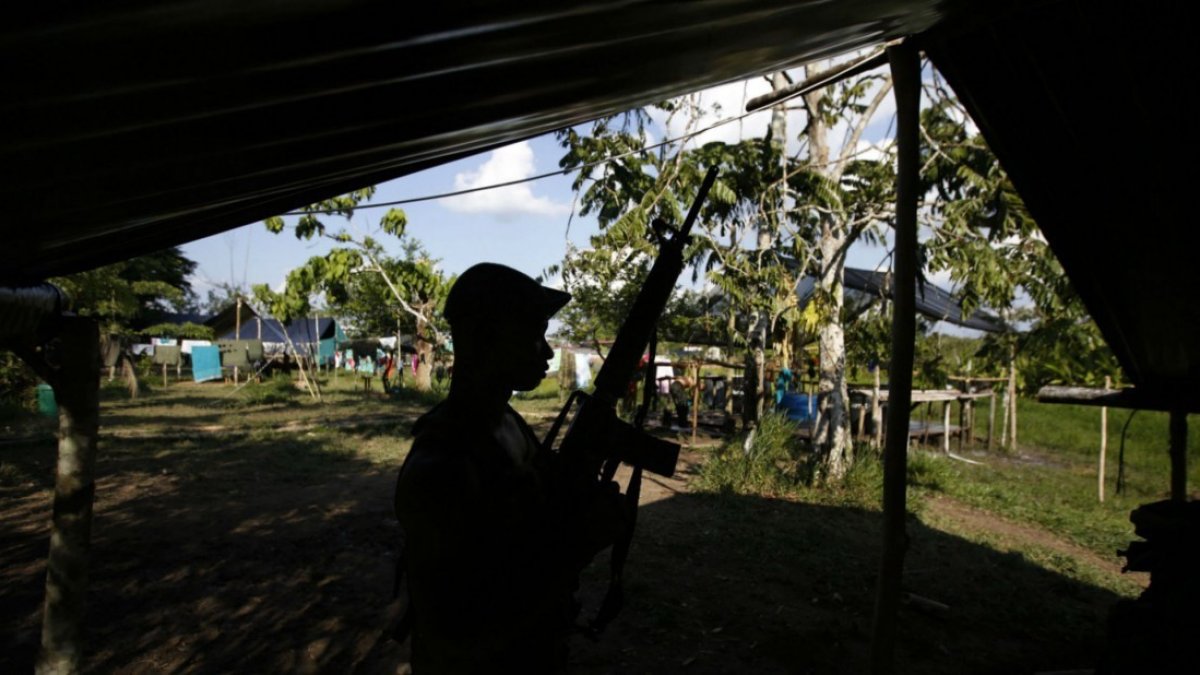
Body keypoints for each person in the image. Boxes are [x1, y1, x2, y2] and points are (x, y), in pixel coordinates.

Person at [394, 263, 625, 674]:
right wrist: (580, 544)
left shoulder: (505, 421)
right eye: (535, 333)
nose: (549, 351)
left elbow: (522, 533)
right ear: (487, 338)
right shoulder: (441, 466)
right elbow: (459, 631)